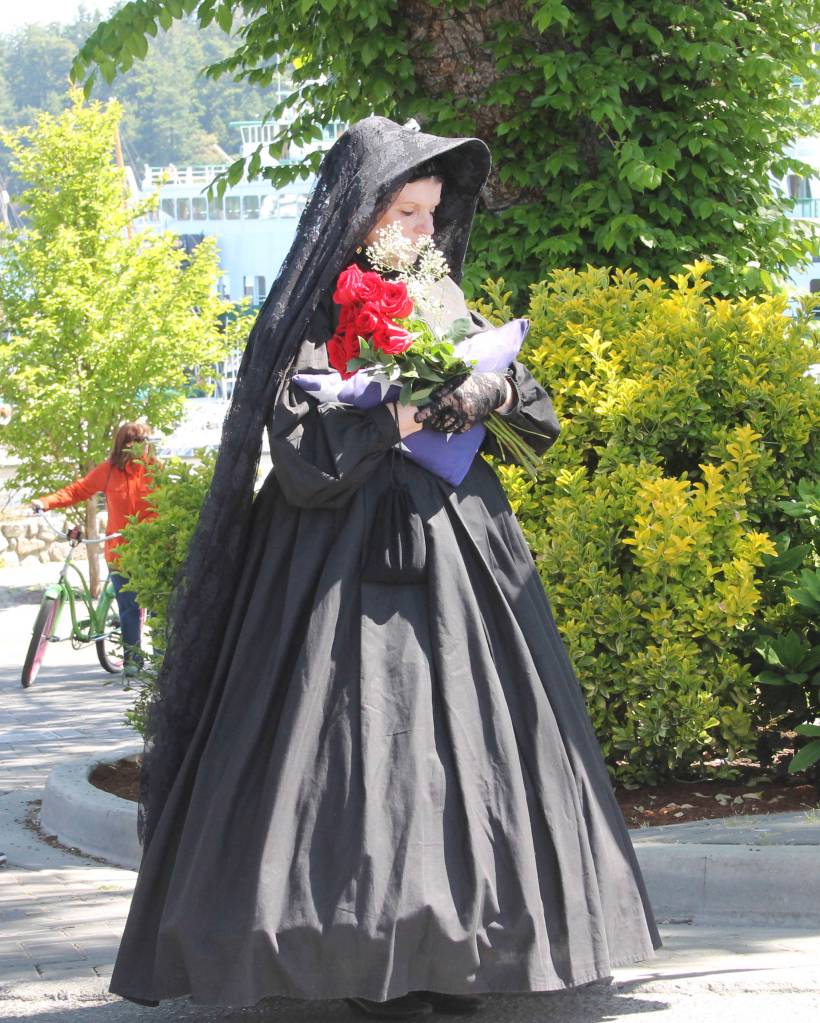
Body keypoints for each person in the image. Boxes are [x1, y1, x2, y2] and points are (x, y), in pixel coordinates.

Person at [108, 119, 661, 1016]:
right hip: (328, 569)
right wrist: (401, 416)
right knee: (353, 750)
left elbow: (530, 405)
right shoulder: (312, 309)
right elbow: (297, 453)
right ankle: (357, 956)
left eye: (432, 214)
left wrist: (490, 389)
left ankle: (469, 951)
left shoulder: (438, 293)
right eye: (407, 211)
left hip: (458, 555)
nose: (424, 231)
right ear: (362, 213)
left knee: (472, 753)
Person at [31, 421, 155, 675]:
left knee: (159, 607)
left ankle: (166, 661)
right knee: (129, 608)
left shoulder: (154, 470)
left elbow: (164, 506)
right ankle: (133, 661)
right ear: (125, 444)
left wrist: (152, 529)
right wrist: (44, 502)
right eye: (139, 441)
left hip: (153, 550)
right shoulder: (108, 471)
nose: (144, 446)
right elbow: (78, 490)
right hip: (120, 553)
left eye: (146, 441)